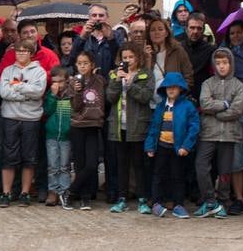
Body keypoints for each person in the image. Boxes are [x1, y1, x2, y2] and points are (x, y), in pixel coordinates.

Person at [195, 46, 243, 218]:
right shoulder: (207, 83)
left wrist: (216, 112)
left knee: (225, 171)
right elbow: (204, 103)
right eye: (218, 63)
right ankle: (209, 200)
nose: (222, 66)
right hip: (209, 132)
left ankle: (223, 201)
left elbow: (237, 110)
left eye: (225, 63)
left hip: (229, 134)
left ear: (231, 64)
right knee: (201, 165)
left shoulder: (238, 85)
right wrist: (224, 104)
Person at [0, 41, 47, 207]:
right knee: (9, 156)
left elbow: (38, 92)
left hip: (31, 119)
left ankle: (25, 192)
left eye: (25, 51)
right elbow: (4, 93)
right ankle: (6, 192)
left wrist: (17, 86)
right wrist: (26, 93)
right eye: (18, 51)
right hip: (10, 117)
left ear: (31, 53)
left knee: (29, 157)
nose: (21, 54)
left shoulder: (39, 71)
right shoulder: (7, 71)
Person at [106, 42, 153, 214]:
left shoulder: (145, 74)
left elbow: (145, 96)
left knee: (139, 164)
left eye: (131, 57)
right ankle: (122, 198)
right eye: (124, 57)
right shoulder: (113, 74)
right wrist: (118, 81)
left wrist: (130, 83)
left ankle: (142, 199)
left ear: (138, 58)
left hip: (138, 125)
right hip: (119, 126)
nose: (128, 60)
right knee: (122, 164)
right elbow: (110, 97)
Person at [145, 71, 199, 218]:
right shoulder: (160, 106)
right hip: (161, 146)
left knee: (178, 176)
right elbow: (154, 127)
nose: (171, 90)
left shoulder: (187, 106)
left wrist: (186, 146)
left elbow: (194, 127)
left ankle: (178, 205)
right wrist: (150, 146)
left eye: (175, 87)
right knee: (158, 175)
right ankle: (156, 203)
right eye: (168, 87)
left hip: (178, 148)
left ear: (181, 88)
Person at [67, 51, 105, 210]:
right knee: (80, 164)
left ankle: (70, 192)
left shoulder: (100, 81)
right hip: (78, 125)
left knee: (92, 163)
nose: (82, 66)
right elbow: (76, 106)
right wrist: (77, 91)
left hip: (94, 125)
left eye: (85, 63)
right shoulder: (73, 82)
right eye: (79, 63)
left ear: (92, 65)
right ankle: (84, 197)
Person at [43, 66, 74, 209]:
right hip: (52, 135)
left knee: (65, 165)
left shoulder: (72, 95)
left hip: (67, 136)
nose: (57, 85)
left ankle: (64, 190)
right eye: (54, 82)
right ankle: (53, 190)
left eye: (60, 82)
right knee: (53, 165)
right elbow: (47, 111)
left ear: (67, 81)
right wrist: (53, 96)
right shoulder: (50, 94)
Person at [181, 12, 215, 99]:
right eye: (192, 28)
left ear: (203, 30)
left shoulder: (211, 50)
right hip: (181, 95)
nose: (195, 31)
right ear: (186, 29)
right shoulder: (179, 48)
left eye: (199, 28)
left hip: (203, 98)